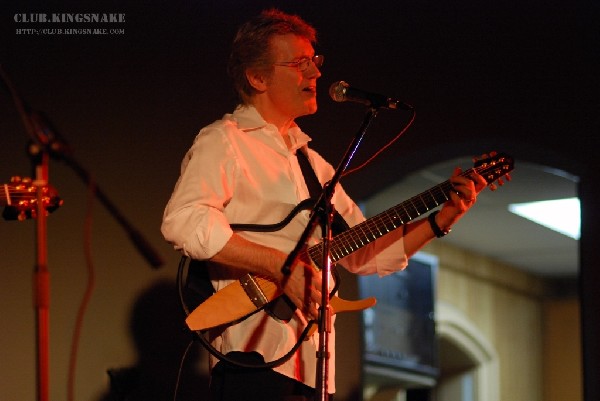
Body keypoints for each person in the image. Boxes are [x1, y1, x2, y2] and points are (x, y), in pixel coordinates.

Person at [161, 8, 488, 401]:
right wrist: (282, 269)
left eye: (315, 61)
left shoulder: (314, 165)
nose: (316, 74)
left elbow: (362, 254)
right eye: (300, 64)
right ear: (258, 77)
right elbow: (184, 221)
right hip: (253, 361)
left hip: (316, 369)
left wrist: (440, 219)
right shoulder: (225, 141)